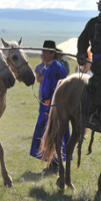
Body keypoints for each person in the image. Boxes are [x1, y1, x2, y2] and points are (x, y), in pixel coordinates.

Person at [30, 40, 69, 171]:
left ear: (52, 54)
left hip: (54, 107)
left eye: (46, 52)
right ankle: (50, 161)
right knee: (46, 133)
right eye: (43, 52)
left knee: (55, 133)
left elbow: (60, 90)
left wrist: (52, 106)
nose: (43, 54)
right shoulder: (48, 67)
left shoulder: (58, 69)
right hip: (46, 107)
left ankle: (55, 163)